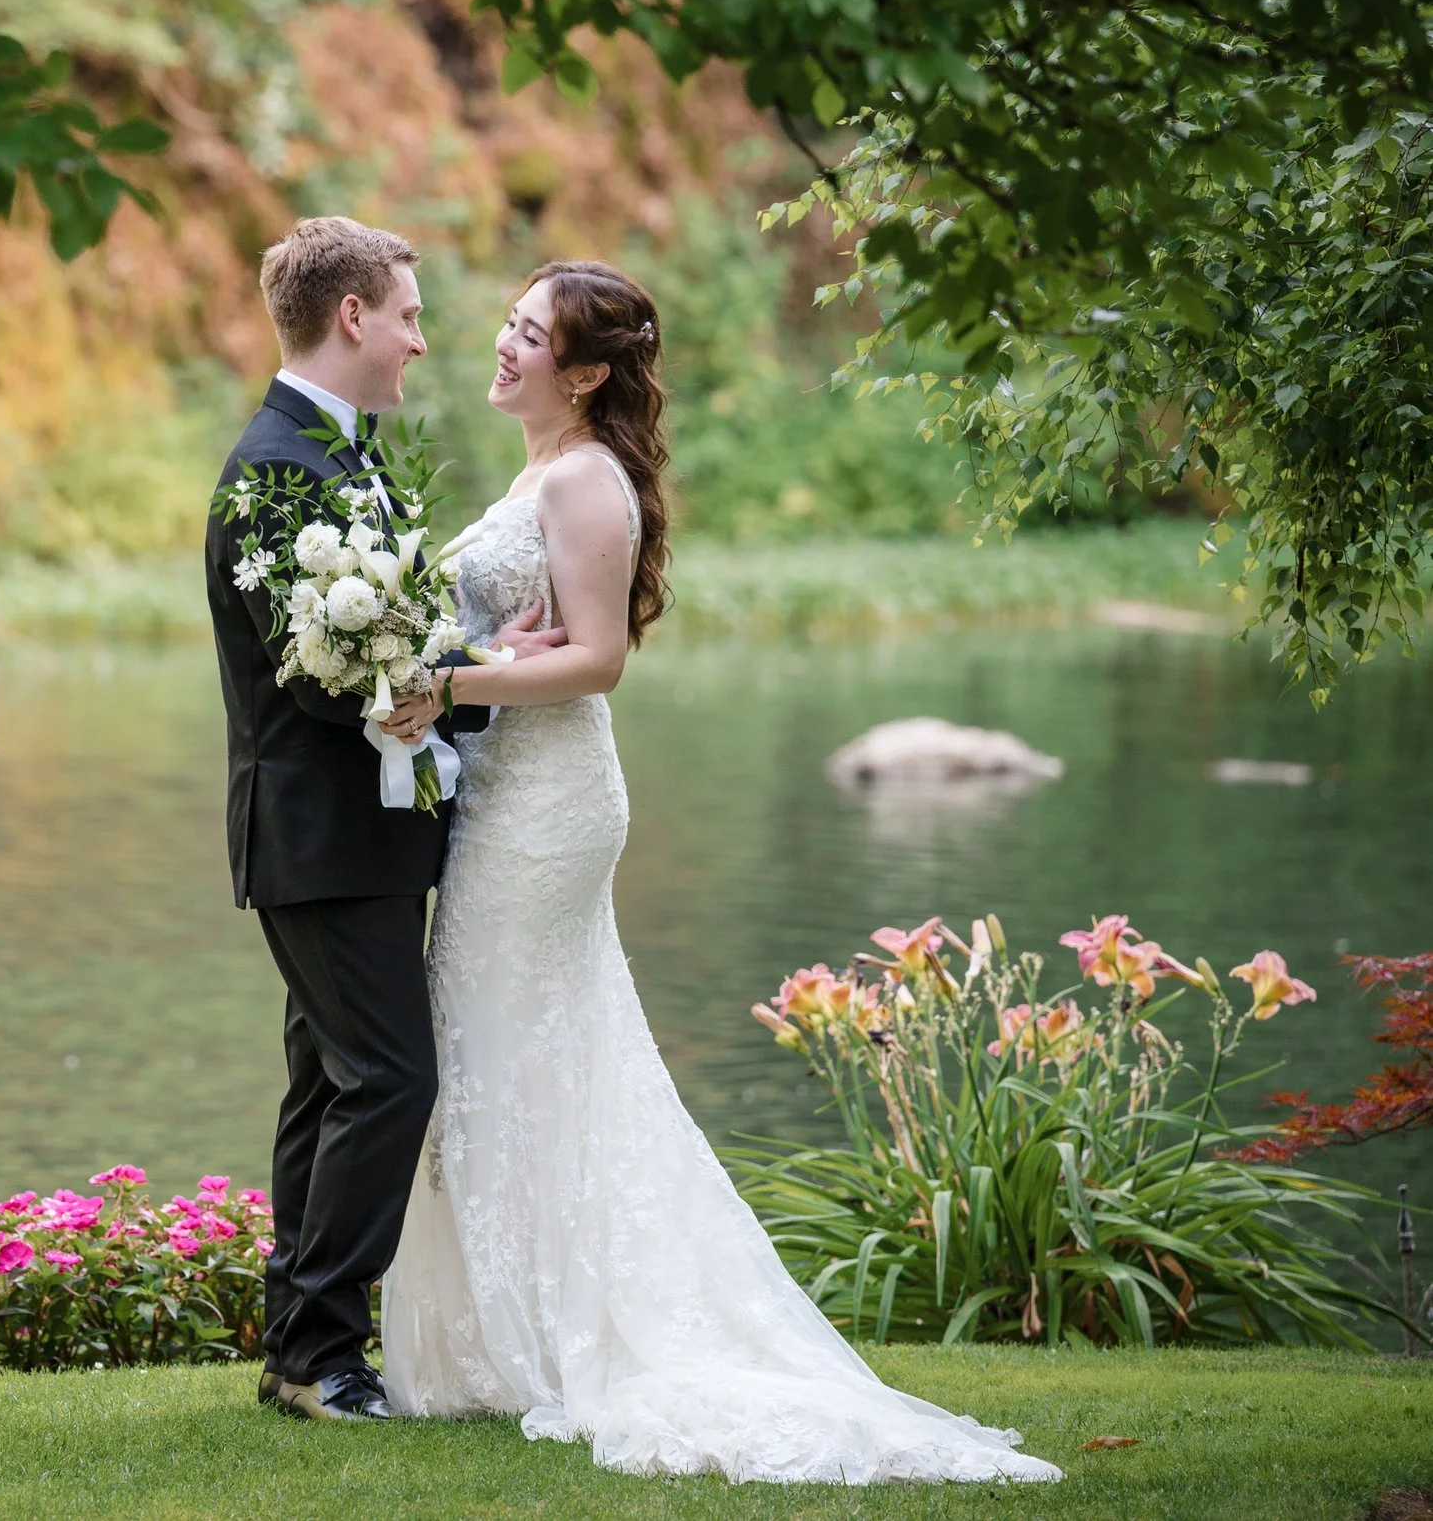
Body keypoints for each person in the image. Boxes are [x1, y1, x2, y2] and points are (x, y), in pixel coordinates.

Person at [370, 261, 1062, 1483]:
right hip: (507, 799)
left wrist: (450, 681)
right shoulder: (541, 467)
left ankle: (555, 1336)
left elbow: (593, 664)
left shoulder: (587, 480)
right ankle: (497, 1334)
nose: (501, 343)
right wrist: (464, 652)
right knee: (504, 1046)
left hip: (550, 809)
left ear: (585, 372)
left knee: (510, 1042)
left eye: (529, 335)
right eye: (512, 324)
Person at [202, 217, 560, 1424]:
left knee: (330, 1082)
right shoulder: (275, 469)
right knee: (392, 1078)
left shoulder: (336, 456)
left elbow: (380, 637)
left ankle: (296, 1348)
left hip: (358, 835)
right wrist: (463, 683)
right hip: (318, 838)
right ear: (351, 316)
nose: (419, 337)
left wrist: (467, 663)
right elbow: (318, 671)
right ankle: (320, 1350)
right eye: (406, 312)